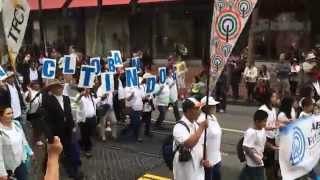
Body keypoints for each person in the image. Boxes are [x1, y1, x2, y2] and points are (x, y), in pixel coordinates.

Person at [42, 79, 83, 179]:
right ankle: (46, 170)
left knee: (69, 151)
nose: (60, 88)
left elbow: (69, 114)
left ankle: (73, 172)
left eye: (61, 86)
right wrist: (49, 136)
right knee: (52, 153)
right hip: (55, 132)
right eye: (58, 86)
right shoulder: (47, 100)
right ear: (52, 89)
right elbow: (45, 120)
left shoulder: (66, 98)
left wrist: (72, 126)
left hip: (67, 130)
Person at [172, 97, 209, 180]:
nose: (199, 111)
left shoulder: (195, 124)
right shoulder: (179, 127)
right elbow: (189, 144)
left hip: (198, 167)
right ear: (189, 110)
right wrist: (201, 127)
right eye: (196, 108)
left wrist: (204, 159)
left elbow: (202, 143)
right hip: (185, 170)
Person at [239, 110, 278, 180]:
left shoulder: (262, 129)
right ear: (257, 121)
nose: (265, 123)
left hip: (255, 162)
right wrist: (256, 159)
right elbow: (246, 147)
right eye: (264, 121)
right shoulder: (251, 132)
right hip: (254, 164)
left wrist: (272, 147)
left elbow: (264, 141)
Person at [0, 106, 33, 180]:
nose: (11, 115)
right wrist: (2, 173)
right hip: (8, 168)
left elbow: (23, 140)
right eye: (8, 113)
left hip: (21, 162)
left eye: (12, 113)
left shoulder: (16, 124)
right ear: (1, 116)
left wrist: (30, 152)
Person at [197, 96, 222, 180]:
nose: (215, 107)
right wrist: (206, 159)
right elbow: (202, 142)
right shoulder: (201, 120)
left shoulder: (213, 117)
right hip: (209, 161)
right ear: (206, 107)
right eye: (212, 105)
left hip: (217, 158)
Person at [258, 89, 280, 180]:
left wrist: (278, 125)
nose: (276, 98)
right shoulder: (263, 109)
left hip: (273, 137)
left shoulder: (273, 109)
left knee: (271, 161)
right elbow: (260, 125)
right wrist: (272, 127)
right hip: (265, 138)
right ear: (269, 98)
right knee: (266, 162)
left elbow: (274, 122)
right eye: (274, 97)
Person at [79, 88, 97, 158]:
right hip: (84, 119)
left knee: (90, 134)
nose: (87, 91)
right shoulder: (81, 98)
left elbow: (95, 103)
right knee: (85, 134)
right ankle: (87, 150)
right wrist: (80, 95)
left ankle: (81, 143)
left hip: (92, 118)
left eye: (88, 89)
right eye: (85, 89)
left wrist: (102, 97)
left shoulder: (91, 97)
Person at [25, 80, 43, 146]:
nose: (37, 85)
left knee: (38, 127)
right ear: (32, 85)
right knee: (32, 127)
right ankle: (32, 140)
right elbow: (27, 100)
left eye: (38, 84)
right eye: (35, 84)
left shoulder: (41, 93)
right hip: (30, 113)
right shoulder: (28, 92)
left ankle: (37, 139)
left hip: (38, 113)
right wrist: (29, 92)